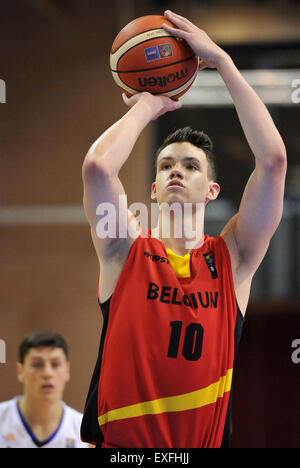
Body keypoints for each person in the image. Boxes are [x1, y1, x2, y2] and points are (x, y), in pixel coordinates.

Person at [80, 10, 287, 448]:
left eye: (190, 166)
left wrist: (225, 64)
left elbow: (273, 162)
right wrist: (149, 105)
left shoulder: (233, 258)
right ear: (153, 189)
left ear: (212, 189)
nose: (177, 171)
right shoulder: (124, 250)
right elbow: (98, 167)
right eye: (166, 165)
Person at [0, 330, 90, 448]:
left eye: (55, 364)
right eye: (37, 364)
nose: (47, 373)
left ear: (67, 370)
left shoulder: (84, 431)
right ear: (20, 371)